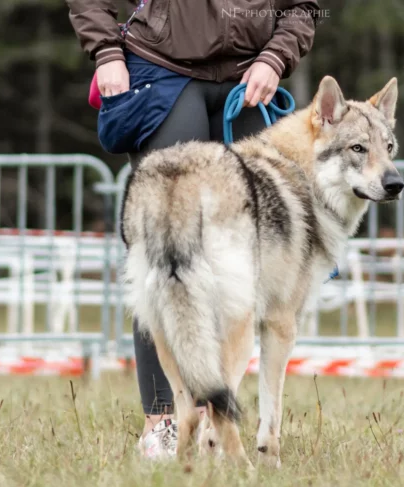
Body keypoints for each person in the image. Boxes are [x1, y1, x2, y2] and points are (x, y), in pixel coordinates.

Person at [67, 0, 319, 459]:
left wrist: (275, 56)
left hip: (249, 80)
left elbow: (303, 7)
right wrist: (106, 52)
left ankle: (215, 422)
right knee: (167, 250)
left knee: (242, 262)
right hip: (163, 69)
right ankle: (161, 420)